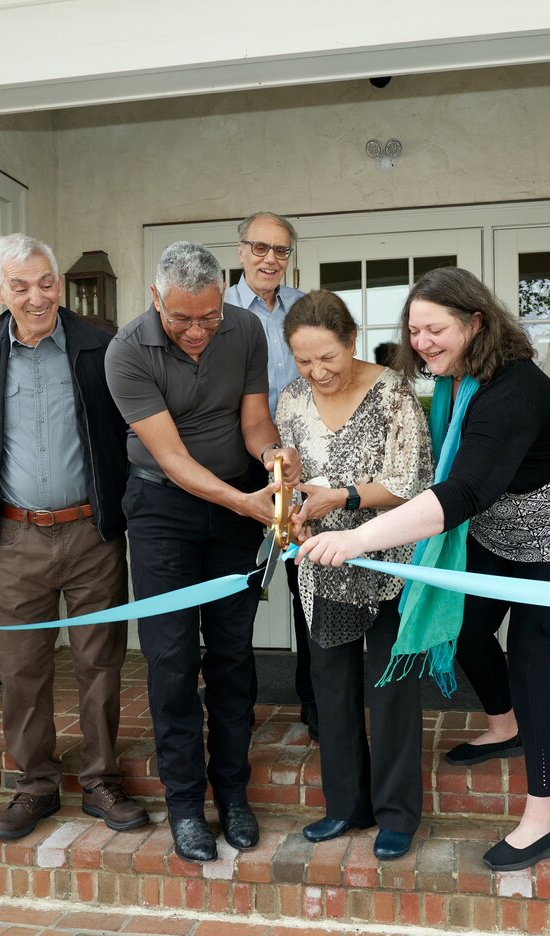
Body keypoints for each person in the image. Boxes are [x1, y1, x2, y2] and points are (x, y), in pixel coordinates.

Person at [298, 267, 550, 872]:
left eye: (435, 329)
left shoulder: (513, 390)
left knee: (529, 662)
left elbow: (462, 491)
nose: (422, 342)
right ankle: (504, 726)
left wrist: (358, 538)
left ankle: (542, 820)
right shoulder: (456, 383)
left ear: (476, 323)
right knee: (464, 627)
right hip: (502, 528)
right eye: (414, 330)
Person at [108, 241, 302, 863]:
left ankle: (234, 795)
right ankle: (186, 804)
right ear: (155, 300)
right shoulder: (127, 352)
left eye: (208, 317)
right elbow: (171, 458)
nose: (197, 331)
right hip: (163, 510)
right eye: (181, 318)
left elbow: (252, 425)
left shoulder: (244, 327)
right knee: (169, 660)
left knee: (230, 654)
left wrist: (272, 456)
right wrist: (241, 504)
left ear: (225, 300)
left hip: (236, 504)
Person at [0, 233, 144, 842]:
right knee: (21, 669)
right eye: (20, 285)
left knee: (99, 661)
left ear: (59, 282)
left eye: (46, 282)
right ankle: (35, 785)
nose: (37, 296)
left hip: (92, 532)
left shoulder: (100, 347)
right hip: (16, 539)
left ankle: (99, 780)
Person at [276, 291, 433, 861]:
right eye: (304, 361)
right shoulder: (292, 399)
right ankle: (345, 805)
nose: (317, 373)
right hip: (321, 566)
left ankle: (396, 814)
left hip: (390, 563)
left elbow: (409, 486)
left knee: (390, 692)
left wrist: (338, 497)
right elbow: (291, 470)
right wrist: (292, 496)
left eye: (328, 359)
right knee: (332, 688)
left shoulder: (394, 393)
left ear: (351, 342)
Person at [224, 211, 317, 740]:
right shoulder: (216, 311)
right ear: (240, 251)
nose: (269, 259)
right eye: (259, 247)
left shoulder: (305, 309)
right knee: (238, 597)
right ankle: (238, 706)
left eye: (280, 250)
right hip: (244, 472)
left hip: (306, 471)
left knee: (309, 587)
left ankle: (315, 701)